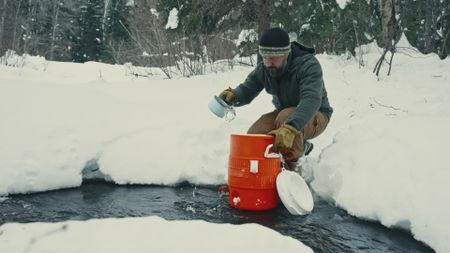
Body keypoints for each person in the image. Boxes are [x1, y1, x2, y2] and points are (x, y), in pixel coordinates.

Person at [218, 27, 333, 170]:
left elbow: (311, 100)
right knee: (255, 135)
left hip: (316, 115)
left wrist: (291, 128)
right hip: (284, 115)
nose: (268, 62)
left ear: (286, 54)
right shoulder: (265, 69)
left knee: (286, 118)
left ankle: (294, 170)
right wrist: (233, 96)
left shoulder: (308, 65)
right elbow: (247, 90)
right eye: (264, 57)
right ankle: (264, 174)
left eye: (273, 58)